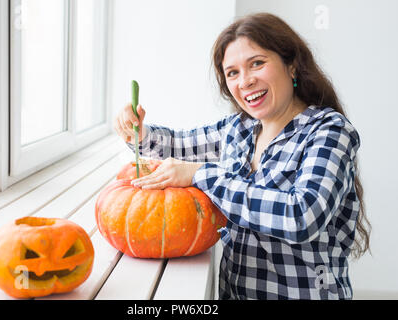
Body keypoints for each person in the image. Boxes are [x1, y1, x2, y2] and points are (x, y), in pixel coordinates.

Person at [113, 13, 371, 300]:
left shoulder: (329, 131)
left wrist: (202, 174)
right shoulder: (238, 129)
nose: (245, 81)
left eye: (257, 63)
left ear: (292, 66)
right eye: (232, 72)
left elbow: (301, 216)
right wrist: (139, 133)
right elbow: (175, 144)